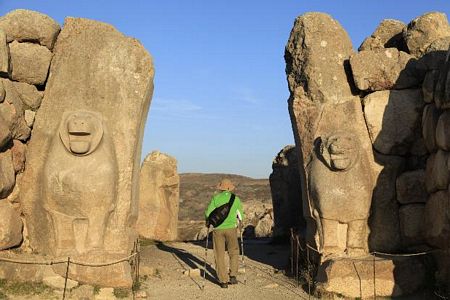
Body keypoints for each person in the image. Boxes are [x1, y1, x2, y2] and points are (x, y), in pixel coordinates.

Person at [205, 178, 244, 288]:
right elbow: (240, 216)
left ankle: (223, 281)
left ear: (221, 188)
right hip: (231, 229)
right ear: (230, 188)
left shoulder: (216, 198)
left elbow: (208, 213)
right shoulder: (236, 199)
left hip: (218, 230)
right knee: (234, 252)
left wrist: (208, 223)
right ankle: (233, 276)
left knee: (219, 254)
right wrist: (240, 223)